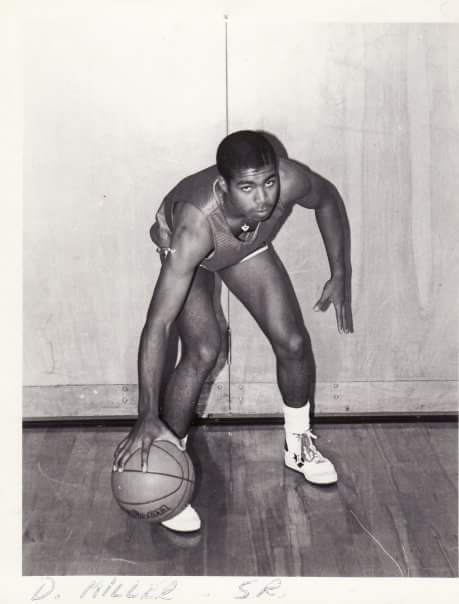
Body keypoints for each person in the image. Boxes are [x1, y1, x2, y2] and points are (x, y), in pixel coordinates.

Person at [113, 130, 353, 532]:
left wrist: (340, 271)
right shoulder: (193, 229)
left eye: (268, 182)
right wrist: (145, 414)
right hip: (199, 248)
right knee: (203, 350)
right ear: (224, 188)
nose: (263, 199)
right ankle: (168, 457)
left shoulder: (289, 180)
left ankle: (298, 445)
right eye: (247, 187)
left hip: (244, 243)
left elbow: (327, 200)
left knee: (293, 342)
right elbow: (158, 323)